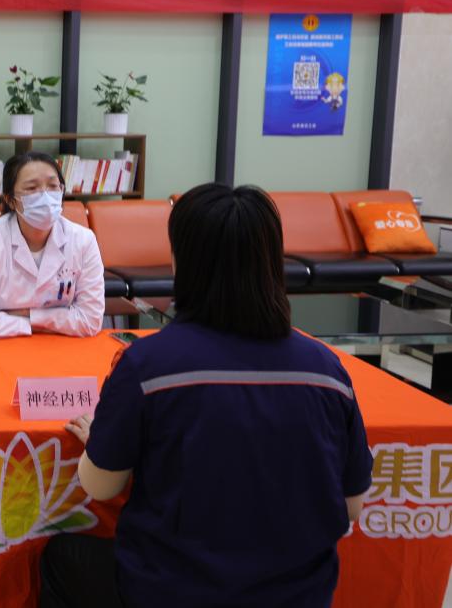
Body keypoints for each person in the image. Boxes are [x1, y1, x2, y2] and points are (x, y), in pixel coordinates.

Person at [40, 184, 374, 608]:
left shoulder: (147, 365)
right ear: (273, 261)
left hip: (173, 591)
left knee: (62, 557)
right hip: (297, 596)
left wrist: (101, 441)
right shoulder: (327, 370)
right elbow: (351, 505)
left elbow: (100, 485)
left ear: (182, 261)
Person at [0, 151, 104, 338]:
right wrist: (54, 320)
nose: (45, 195)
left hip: (59, 346)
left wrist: (29, 316)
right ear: (10, 200)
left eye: (53, 186)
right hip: (1, 346)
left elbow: (90, 320)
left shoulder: (83, 240)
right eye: (32, 188)